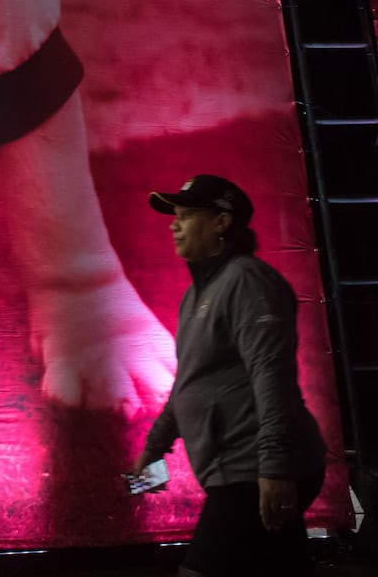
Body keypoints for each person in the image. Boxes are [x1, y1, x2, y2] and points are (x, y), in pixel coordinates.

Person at [130, 175, 326, 577]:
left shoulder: (247, 282)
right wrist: (155, 448)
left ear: (221, 223)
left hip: (253, 468)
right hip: (244, 468)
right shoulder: (198, 294)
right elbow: (190, 383)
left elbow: (273, 379)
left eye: (186, 215)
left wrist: (273, 468)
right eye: (175, 216)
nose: (174, 224)